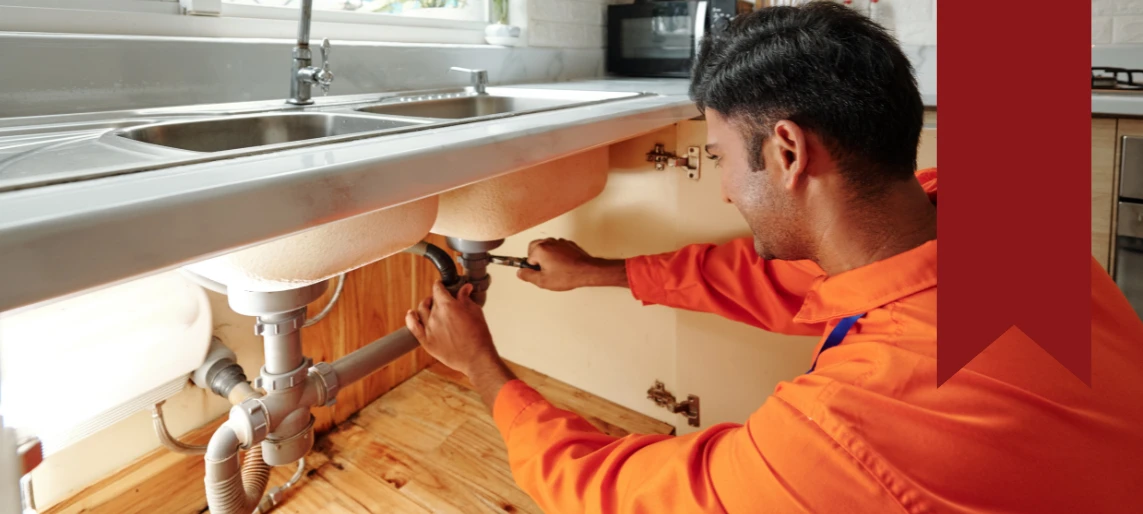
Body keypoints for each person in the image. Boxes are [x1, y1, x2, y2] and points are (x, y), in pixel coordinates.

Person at [406, 3, 1143, 513]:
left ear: (787, 151)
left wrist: (479, 363)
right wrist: (597, 272)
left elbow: (608, 490)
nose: (725, 188)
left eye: (720, 156)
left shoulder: (850, 437)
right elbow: (777, 282)